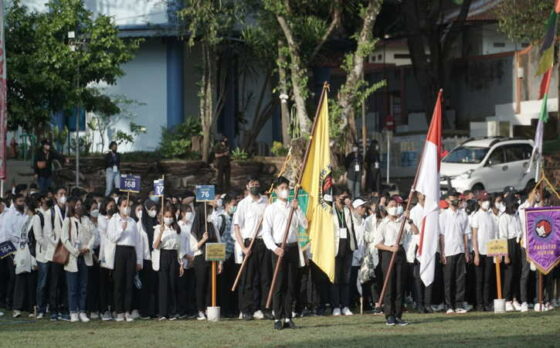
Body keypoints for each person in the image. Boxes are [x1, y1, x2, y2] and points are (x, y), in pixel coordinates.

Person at [262, 176, 307, 330]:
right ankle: (277, 317)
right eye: (282, 188)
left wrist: (297, 209)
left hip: (293, 247)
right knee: (278, 284)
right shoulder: (271, 209)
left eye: (287, 187)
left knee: (290, 284)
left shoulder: (293, 206)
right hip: (278, 249)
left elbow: (304, 224)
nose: (285, 190)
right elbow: (266, 232)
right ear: (275, 190)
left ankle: (288, 317)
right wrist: (274, 248)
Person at [233, 177, 270, 320]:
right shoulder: (243, 204)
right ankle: (247, 309)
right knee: (248, 278)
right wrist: (243, 247)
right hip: (249, 243)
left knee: (265, 277)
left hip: (264, 242)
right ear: (247, 186)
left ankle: (265, 308)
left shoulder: (266, 202)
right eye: (252, 184)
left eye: (257, 184)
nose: (255, 186)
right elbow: (236, 227)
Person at [375, 198, 416, 326]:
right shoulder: (383, 223)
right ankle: (389, 315)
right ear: (386, 208)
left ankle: (398, 315)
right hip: (388, 253)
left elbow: (416, 231)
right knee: (389, 285)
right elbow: (377, 244)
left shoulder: (402, 222)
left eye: (396, 205)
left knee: (400, 285)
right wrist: (390, 248)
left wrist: (409, 219)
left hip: (400, 253)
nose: (395, 207)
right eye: (392, 205)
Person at [107, 197, 143, 322]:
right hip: (119, 251)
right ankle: (119, 311)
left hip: (131, 252)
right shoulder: (114, 219)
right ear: (119, 207)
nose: (126, 207)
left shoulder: (132, 221)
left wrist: (139, 260)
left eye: (128, 205)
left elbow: (138, 242)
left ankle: (128, 311)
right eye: (124, 205)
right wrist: (121, 228)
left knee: (129, 282)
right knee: (119, 282)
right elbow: (111, 237)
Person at [62, 199, 95, 323]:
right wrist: (75, 251)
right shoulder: (68, 221)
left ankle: (82, 310)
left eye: (80, 205)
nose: (79, 207)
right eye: (76, 205)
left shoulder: (86, 220)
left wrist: (88, 247)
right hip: (73, 257)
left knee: (83, 286)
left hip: (85, 256)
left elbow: (93, 235)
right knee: (73, 287)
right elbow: (64, 239)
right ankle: (73, 311)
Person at [439, 191, 470, 314]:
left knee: (460, 279)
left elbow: (465, 234)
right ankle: (449, 305)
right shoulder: (444, 215)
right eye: (453, 199)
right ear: (447, 200)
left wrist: (466, 251)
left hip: (460, 250)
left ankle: (459, 304)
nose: (455, 201)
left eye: (457, 198)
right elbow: (441, 235)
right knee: (448, 280)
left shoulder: (463, 215)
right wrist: (442, 252)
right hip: (449, 251)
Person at [190, 204, 222, 320]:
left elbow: (218, 241)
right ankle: (200, 310)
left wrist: (220, 262)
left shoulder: (212, 225)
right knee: (201, 284)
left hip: (213, 257)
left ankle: (208, 308)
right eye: (207, 211)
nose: (209, 213)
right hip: (200, 258)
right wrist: (203, 239)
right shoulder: (195, 228)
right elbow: (193, 247)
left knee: (210, 285)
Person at [331, 187, 358, 316]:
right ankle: (336, 306)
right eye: (343, 196)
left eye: (347, 196)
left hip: (348, 246)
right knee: (336, 278)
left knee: (346, 278)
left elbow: (358, 221)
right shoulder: (330, 210)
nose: (345, 199)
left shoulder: (348, 210)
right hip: (335, 246)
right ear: (336, 197)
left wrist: (351, 207)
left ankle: (345, 306)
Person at [7, 195, 35, 318]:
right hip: (21, 251)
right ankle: (17, 308)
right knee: (20, 279)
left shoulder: (34, 219)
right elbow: (17, 236)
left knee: (30, 280)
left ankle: (31, 308)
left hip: (31, 253)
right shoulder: (24, 219)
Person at [153, 206, 183, 320]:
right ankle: (163, 312)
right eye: (166, 217)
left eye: (170, 217)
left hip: (173, 255)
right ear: (163, 217)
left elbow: (179, 247)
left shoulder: (176, 229)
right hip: (163, 255)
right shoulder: (158, 228)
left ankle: (172, 311)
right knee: (163, 285)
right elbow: (155, 246)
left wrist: (180, 263)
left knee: (172, 283)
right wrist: (160, 233)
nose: (168, 219)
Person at [471, 192, 497, 312]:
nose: (486, 202)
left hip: (490, 252)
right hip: (479, 252)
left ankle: (486, 302)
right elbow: (474, 236)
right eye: (484, 200)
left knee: (488, 280)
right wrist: (476, 254)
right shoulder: (476, 216)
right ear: (479, 202)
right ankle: (479, 303)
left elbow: (494, 235)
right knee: (479, 280)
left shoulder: (491, 216)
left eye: (487, 200)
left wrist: (497, 253)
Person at [47, 188, 70, 321]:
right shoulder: (51, 212)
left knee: (65, 282)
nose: (63, 196)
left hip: (68, 250)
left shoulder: (68, 210)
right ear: (55, 196)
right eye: (60, 194)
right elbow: (49, 233)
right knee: (54, 282)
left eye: (65, 194)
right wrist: (59, 242)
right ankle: (54, 310)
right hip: (56, 251)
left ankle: (64, 308)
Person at [499, 195, 522, 312]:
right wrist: (505, 254)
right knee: (509, 274)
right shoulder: (504, 218)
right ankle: (507, 300)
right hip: (509, 243)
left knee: (517, 273)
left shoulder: (516, 215)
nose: (515, 206)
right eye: (513, 204)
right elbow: (503, 237)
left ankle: (515, 298)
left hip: (518, 243)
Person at [137, 199, 159, 319]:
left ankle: (153, 310)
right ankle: (144, 310)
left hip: (155, 258)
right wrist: (139, 261)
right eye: (151, 209)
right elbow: (139, 243)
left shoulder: (157, 222)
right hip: (145, 259)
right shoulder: (141, 224)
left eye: (155, 209)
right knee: (145, 287)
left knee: (154, 286)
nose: (153, 212)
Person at [33, 194, 53, 319]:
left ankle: (49, 306)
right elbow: (38, 237)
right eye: (46, 198)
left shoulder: (52, 213)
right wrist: (50, 248)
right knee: (43, 282)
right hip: (43, 254)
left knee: (52, 281)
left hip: (53, 253)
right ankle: (40, 308)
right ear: (41, 201)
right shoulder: (38, 216)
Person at [98, 197, 116, 320]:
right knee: (103, 283)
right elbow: (106, 233)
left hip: (115, 253)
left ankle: (113, 308)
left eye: (113, 206)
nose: (112, 208)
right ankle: (103, 309)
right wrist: (110, 219)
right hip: (104, 253)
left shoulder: (116, 219)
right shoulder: (101, 218)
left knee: (113, 284)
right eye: (110, 206)